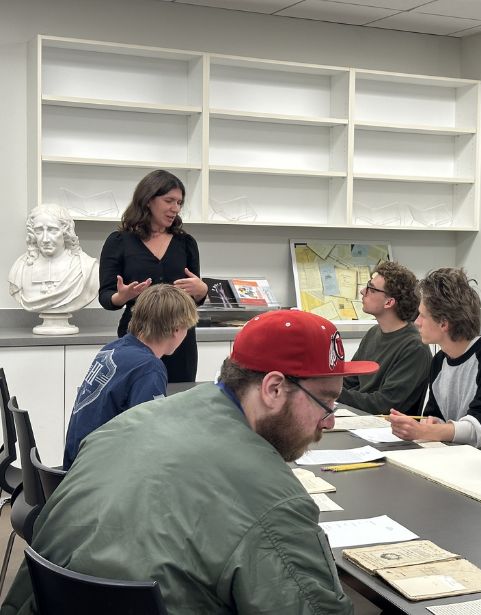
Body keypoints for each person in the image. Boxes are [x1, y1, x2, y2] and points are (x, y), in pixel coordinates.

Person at [1, 310, 379, 613]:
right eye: (326, 401)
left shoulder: (129, 424)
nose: (329, 420)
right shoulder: (276, 504)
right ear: (274, 388)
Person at [388, 268, 481, 462]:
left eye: (423, 316)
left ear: (444, 323)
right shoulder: (439, 361)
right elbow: (435, 414)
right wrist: (431, 423)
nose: (417, 322)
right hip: (455, 460)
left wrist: (427, 431)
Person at [62, 284, 199, 470]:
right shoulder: (149, 368)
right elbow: (150, 438)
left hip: (77, 466)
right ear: (176, 329)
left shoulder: (113, 348)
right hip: (99, 477)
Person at [98, 170, 208, 383]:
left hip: (180, 340)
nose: (175, 208)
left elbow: (194, 296)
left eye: (179, 203)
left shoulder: (186, 243)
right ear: (148, 200)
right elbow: (106, 296)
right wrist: (123, 296)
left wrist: (202, 290)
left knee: (177, 402)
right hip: (138, 338)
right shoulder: (119, 241)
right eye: (169, 201)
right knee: (137, 402)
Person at [338, 261, 431, 414]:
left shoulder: (415, 347)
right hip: (360, 420)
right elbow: (350, 380)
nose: (362, 291)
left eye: (371, 289)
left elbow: (384, 405)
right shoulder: (373, 333)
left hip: (387, 430)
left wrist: (331, 393)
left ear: (389, 302)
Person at [8, 204, 98, 313]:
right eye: (39, 230)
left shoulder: (87, 268)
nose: (45, 239)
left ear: (65, 232)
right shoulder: (20, 268)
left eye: (52, 230)